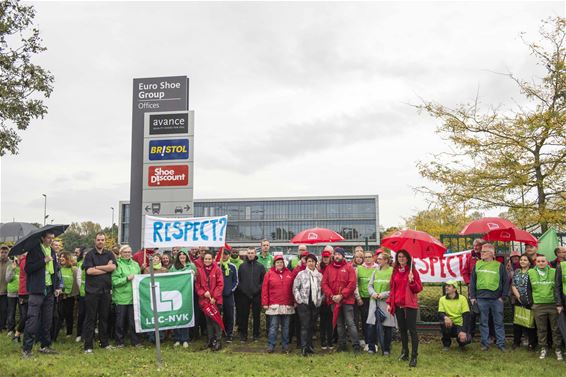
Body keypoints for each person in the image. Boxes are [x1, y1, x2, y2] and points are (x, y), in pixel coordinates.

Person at [22, 230, 61, 358]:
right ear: (43, 238)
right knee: (32, 320)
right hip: (37, 290)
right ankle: (27, 349)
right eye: (49, 238)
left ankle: (45, 346)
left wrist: (56, 287)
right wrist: (43, 261)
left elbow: (55, 271)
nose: (51, 240)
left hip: (49, 290)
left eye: (52, 238)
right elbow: (28, 269)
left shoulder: (53, 252)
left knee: (47, 320)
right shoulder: (34, 251)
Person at [469, 243, 509, 352]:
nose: (481, 253)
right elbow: (472, 281)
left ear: (491, 253)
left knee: (499, 322)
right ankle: (485, 344)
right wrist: (472, 296)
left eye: (484, 252)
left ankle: (501, 344)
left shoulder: (499, 266)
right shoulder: (477, 265)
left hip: (496, 299)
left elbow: (506, 282)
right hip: (481, 298)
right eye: (481, 251)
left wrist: (503, 297)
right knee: (483, 322)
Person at [82, 232, 117, 354]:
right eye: (98, 240)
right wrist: (105, 269)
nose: (100, 242)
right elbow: (89, 271)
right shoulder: (90, 255)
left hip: (106, 291)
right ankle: (88, 346)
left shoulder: (110, 254)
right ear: (95, 241)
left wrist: (97, 267)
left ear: (105, 241)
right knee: (90, 319)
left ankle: (104, 343)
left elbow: (113, 268)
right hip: (92, 291)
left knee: (104, 318)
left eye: (102, 240)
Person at [387, 249, 423, 367]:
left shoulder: (413, 271)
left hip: (410, 305)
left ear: (408, 258)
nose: (401, 259)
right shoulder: (395, 271)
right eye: (399, 257)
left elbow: (418, 289)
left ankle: (414, 356)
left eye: (403, 257)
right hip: (398, 305)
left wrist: (412, 281)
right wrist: (389, 303)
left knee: (412, 330)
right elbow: (392, 288)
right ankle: (405, 352)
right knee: (402, 330)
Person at [321, 246, 360, 354]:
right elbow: (324, 283)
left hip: (347, 301)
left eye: (339, 254)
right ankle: (342, 345)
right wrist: (332, 296)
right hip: (334, 301)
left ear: (342, 256)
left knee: (350, 323)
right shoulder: (329, 268)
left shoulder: (349, 267)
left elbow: (352, 284)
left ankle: (356, 345)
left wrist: (342, 295)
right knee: (339, 324)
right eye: (335, 254)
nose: (337, 256)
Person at [528, 254, 563, 360]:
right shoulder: (531, 272)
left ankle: (558, 349)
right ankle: (543, 347)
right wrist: (531, 303)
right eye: (538, 261)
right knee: (541, 329)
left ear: (547, 262)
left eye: (543, 261)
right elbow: (528, 289)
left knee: (555, 329)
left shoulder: (554, 271)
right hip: (538, 305)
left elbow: (558, 287)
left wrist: (559, 303)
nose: (541, 263)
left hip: (552, 304)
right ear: (535, 263)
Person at [262, 254, 295, 353]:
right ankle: (271, 345)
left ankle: (285, 345)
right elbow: (264, 289)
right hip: (274, 304)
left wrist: (294, 302)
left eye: (281, 262)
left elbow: (293, 288)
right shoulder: (269, 274)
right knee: (273, 326)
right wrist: (265, 303)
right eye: (277, 262)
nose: (279, 264)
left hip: (287, 304)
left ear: (284, 263)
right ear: (274, 264)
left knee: (286, 327)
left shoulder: (289, 273)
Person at [111, 245, 141, 348]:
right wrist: (127, 278)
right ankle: (119, 342)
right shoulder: (117, 265)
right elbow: (114, 282)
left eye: (129, 252)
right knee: (120, 322)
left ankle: (135, 341)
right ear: (121, 253)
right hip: (121, 298)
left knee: (133, 322)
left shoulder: (136, 265)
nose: (127, 254)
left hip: (133, 297)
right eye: (125, 252)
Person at [293, 253, 322, 356]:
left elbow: (322, 290)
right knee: (304, 326)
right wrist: (299, 301)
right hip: (304, 303)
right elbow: (295, 288)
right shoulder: (301, 274)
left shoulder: (319, 275)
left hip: (314, 304)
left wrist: (320, 301)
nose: (311, 263)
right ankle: (304, 347)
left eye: (313, 261)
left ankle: (310, 346)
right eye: (309, 261)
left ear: (316, 263)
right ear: (306, 262)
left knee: (311, 326)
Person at [367, 251, 396, 355]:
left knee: (387, 327)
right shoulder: (375, 271)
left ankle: (386, 349)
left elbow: (394, 289)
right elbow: (370, 285)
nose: (377, 261)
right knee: (371, 326)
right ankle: (371, 347)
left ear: (386, 260)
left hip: (386, 303)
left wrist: (383, 295)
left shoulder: (392, 272)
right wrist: (373, 293)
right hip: (374, 302)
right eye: (377, 259)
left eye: (380, 259)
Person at [196, 250, 224, 351]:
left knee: (216, 321)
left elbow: (220, 285)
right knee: (208, 322)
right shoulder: (200, 271)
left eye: (209, 259)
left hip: (215, 301)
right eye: (206, 259)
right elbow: (198, 286)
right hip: (205, 302)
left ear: (212, 259)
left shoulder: (217, 270)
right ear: (203, 260)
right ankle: (210, 340)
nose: (207, 260)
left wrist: (215, 297)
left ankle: (218, 341)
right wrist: (203, 293)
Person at [237, 247, 265, 342]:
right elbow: (239, 280)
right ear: (246, 254)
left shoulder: (260, 266)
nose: (250, 254)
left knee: (256, 316)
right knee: (244, 315)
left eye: (252, 253)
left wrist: (257, 290)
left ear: (255, 254)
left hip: (257, 295)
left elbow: (263, 281)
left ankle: (256, 335)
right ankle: (243, 335)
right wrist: (243, 290)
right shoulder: (242, 266)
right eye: (248, 253)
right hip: (244, 295)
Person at [170, 248, 196, 347]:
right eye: (180, 254)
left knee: (185, 315)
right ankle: (177, 338)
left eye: (183, 254)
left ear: (186, 256)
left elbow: (196, 279)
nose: (182, 256)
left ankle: (185, 339)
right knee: (177, 316)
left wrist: (193, 275)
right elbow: (169, 279)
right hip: (176, 295)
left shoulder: (191, 266)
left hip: (187, 294)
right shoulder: (173, 267)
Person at [511, 254, 537, 350]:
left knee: (530, 322)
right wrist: (519, 297)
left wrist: (526, 299)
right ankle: (516, 342)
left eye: (525, 260)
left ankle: (532, 344)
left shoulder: (533, 272)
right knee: (517, 322)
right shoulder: (517, 271)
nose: (522, 261)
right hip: (518, 300)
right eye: (521, 260)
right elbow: (513, 285)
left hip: (529, 300)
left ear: (529, 262)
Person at [438, 280, 472, 351]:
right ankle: (446, 344)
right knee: (443, 323)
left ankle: (461, 344)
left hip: (460, 324)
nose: (446, 288)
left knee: (467, 339)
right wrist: (445, 317)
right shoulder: (442, 299)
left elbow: (466, 315)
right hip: (449, 323)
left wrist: (463, 330)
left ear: (455, 289)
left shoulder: (462, 298)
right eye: (446, 286)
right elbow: (440, 313)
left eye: (449, 286)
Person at [462, 238, 485, 338]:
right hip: (472, 288)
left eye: (477, 245)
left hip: (484, 288)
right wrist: (468, 283)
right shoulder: (469, 257)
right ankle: (471, 333)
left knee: (484, 311)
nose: (475, 247)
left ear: (482, 247)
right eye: (474, 245)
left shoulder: (487, 257)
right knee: (472, 312)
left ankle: (486, 334)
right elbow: (465, 271)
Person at [355, 250, 378, 349]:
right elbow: (355, 284)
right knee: (365, 320)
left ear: (373, 257)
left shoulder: (378, 268)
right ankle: (367, 341)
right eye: (366, 257)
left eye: (369, 257)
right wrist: (358, 297)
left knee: (374, 320)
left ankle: (375, 342)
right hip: (363, 299)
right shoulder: (359, 269)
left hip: (374, 298)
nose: (368, 259)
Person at [56, 252, 79, 339]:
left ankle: (69, 332)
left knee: (69, 314)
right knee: (60, 314)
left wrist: (74, 294)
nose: (61, 258)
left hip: (70, 296)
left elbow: (76, 283)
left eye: (63, 257)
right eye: (60, 257)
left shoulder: (74, 269)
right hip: (60, 295)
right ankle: (57, 331)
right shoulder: (58, 268)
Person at [219, 248, 238, 343]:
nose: (224, 256)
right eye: (223, 254)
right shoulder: (218, 266)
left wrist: (231, 290)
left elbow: (236, 280)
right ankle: (220, 332)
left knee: (229, 315)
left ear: (228, 255)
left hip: (229, 295)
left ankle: (229, 333)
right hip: (218, 295)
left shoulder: (232, 266)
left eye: (226, 254)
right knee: (219, 314)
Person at [318, 246, 334, 350]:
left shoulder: (333, 267)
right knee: (323, 321)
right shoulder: (319, 268)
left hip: (331, 297)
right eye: (324, 257)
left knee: (331, 321)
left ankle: (330, 340)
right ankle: (323, 340)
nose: (325, 259)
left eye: (327, 257)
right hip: (321, 297)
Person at [5, 255, 20, 336]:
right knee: (11, 312)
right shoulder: (10, 267)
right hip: (11, 293)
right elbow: (7, 279)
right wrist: (13, 270)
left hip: (21, 293)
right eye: (16, 257)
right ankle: (10, 329)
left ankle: (20, 329)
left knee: (22, 313)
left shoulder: (23, 266)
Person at [75, 247, 87, 343]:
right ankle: (79, 333)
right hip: (83, 293)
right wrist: (81, 289)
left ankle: (87, 333)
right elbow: (78, 279)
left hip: (93, 293)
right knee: (82, 314)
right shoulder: (81, 264)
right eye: (85, 255)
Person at [0, 245, 10, 332]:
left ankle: (3, 325)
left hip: (6, 290)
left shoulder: (10, 263)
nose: (3, 254)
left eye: (5, 252)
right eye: (2, 252)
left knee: (4, 310)